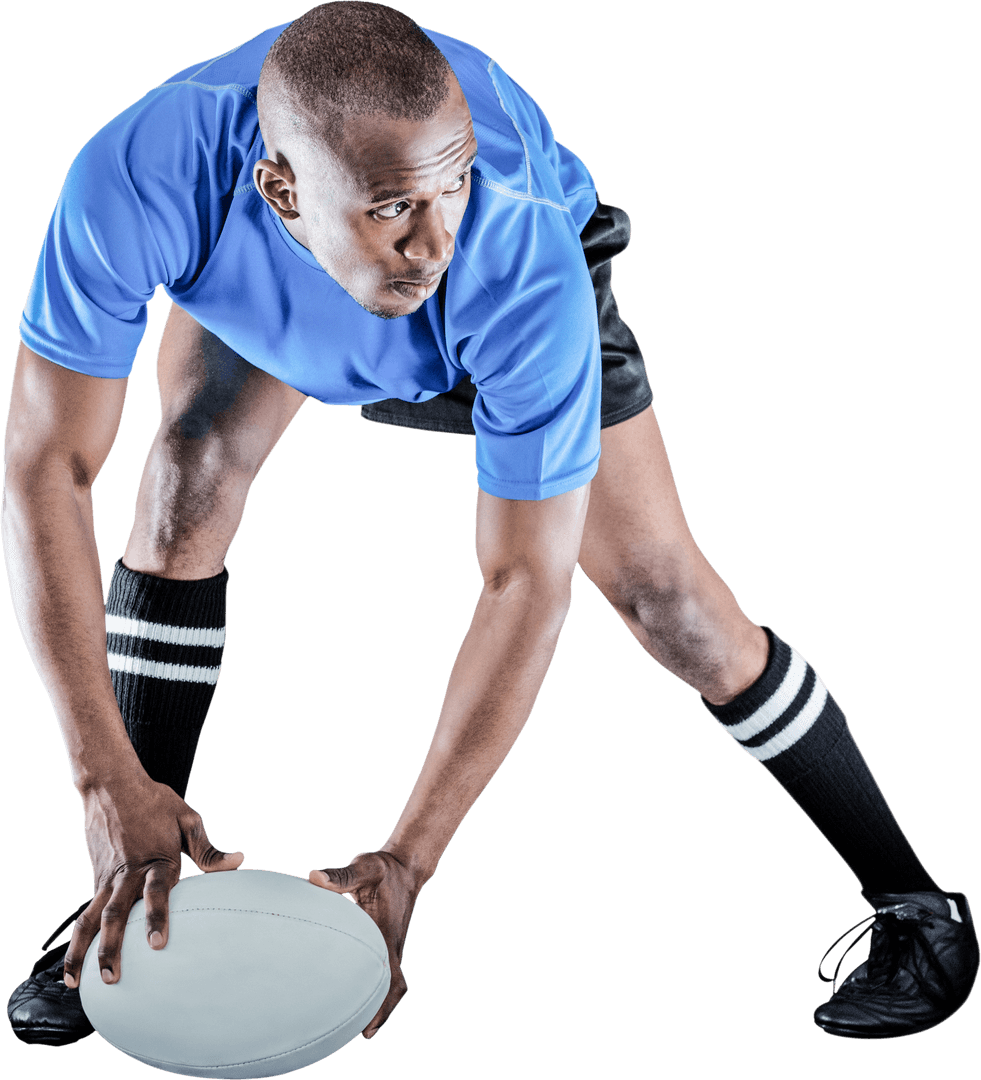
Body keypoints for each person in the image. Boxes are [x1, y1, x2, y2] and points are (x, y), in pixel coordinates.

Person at [4, 1, 977, 1050]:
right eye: (395, 208)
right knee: (187, 475)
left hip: (494, 336)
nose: (435, 239)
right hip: (286, 288)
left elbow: (523, 583)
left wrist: (408, 860)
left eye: (451, 184)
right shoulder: (144, 176)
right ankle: (133, 884)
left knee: (671, 604)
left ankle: (921, 909)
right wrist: (106, 782)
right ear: (279, 189)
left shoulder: (508, 255)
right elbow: (43, 468)